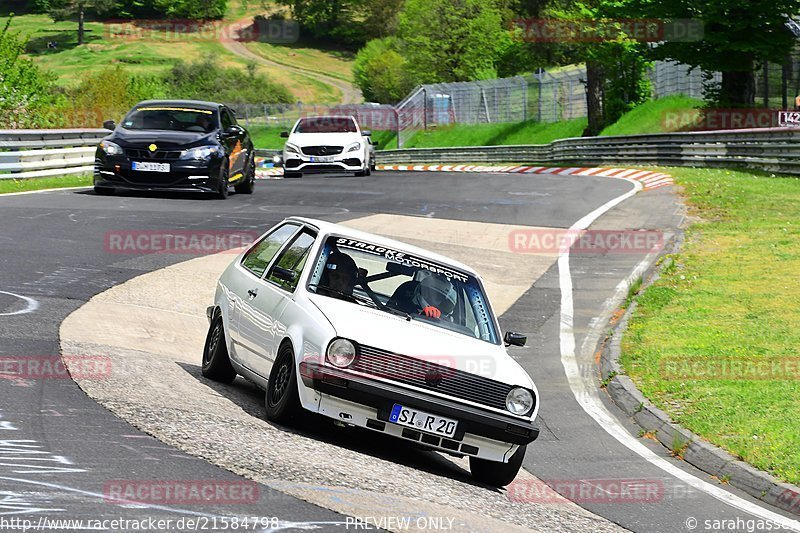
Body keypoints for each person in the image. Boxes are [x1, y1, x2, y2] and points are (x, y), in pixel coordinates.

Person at [389, 272, 457, 319]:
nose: (439, 303)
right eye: (437, 297)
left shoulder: (450, 325)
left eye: (442, 300)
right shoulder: (401, 308)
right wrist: (420, 317)